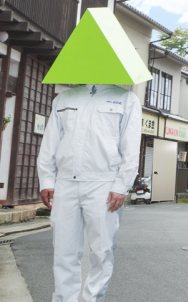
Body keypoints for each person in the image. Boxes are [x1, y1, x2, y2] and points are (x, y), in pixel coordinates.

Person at [38, 84, 142, 302]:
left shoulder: (126, 99)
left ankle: (92, 299)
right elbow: (50, 142)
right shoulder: (64, 99)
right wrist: (46, 180)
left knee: (102, 251)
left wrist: (121, 185)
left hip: (104, 183)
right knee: (63, 251)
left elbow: (131, 147)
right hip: (65, 182)